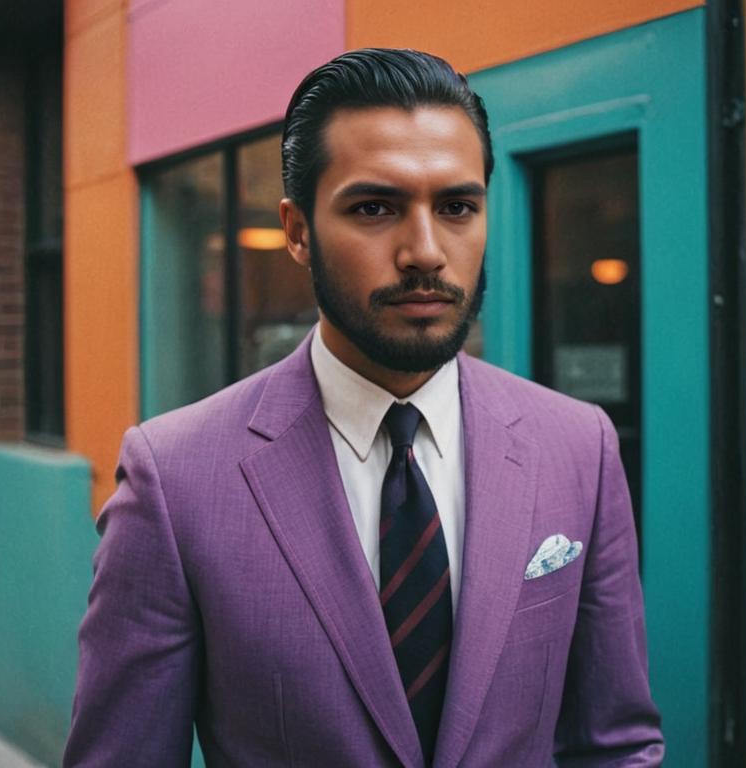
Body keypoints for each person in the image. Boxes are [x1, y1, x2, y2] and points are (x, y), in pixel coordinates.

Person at [64, 48, 663, 767]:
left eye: (457, 207)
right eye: (375, 207)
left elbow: (615, 744)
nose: (424, 251)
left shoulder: (578, 446)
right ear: (297, 230)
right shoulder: (177, 479)